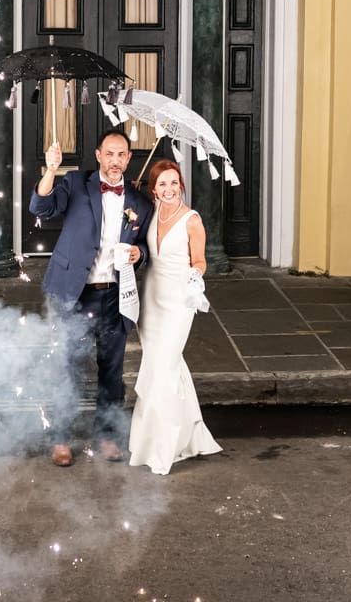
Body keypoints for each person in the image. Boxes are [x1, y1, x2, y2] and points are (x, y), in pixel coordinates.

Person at [29, 126, 154, 467]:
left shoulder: (140, 202)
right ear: (98, 155)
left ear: (129, 159)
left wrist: (137, 255)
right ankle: (60, 438)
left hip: (115, 296)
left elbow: (145, 246)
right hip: (76, 293)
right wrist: (51, 170)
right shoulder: (75, 184)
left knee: (112, 371)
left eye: (121, 155)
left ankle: (107, 436)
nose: (115, 161)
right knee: (69, 367)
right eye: (109, 153)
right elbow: (41, 207)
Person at [128, 159, 221, 475]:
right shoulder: (151, 213)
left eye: (173, 182)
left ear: (181, 184)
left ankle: (164, 446)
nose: (169, 189)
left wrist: (195, 281)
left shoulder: (191, 220)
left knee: (166, 365)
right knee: (160, 365)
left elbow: (200, 261)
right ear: (154, 189)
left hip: (178, 300)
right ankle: (189, 436)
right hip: (151, 297)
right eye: (162, 184)